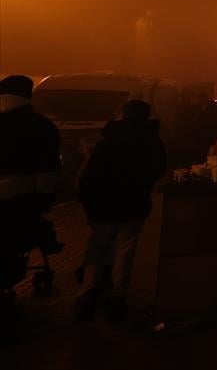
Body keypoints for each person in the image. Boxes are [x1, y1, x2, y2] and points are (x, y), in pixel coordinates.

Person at [74, 100, 167, 320]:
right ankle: (118, 297)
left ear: (123, 114)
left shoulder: (107, 142)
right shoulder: (153, 142)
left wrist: (87, 200)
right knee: (125, 251)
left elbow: (89, 176)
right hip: (135, 204)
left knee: (97, 248)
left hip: (104, 205)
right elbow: (158, 169)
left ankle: (89, 290)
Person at [1, 75, 62, 299]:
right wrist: (44, 200)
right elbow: (47, 169)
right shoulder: (42, 127)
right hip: (21, 197)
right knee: (18, 236)